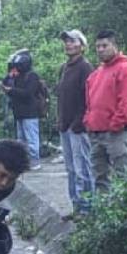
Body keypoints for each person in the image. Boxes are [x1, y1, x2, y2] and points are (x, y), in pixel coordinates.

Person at [84, 30, 127, 192]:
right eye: (98, 46)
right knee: (99, 177)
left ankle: (126, 206)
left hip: (116, 133)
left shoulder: (125, 69)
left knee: (123, 175)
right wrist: (88, 121)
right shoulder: (96, 74)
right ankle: (103, 207)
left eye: (105, 45)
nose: (100, 49)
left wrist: (115, 125)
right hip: (96, 133)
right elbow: (89, 102)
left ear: (114, 46)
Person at [55, 29, 95, 215]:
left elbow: (89, 98)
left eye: (72, 41)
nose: (68, 44)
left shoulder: (85, 67)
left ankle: (87, 208)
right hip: (65, 125)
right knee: (70, 169)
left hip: (78, 127)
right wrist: (60, 121)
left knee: (82, 169)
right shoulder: (64, 68)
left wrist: (79, 122)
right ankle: (76, 206)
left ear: (82, 45)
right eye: (66, 41)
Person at [0, 49, 43, 169]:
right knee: (21, 141)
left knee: (31, 139)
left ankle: (34, 161)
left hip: (30, 113)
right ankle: (24, 162)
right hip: (19, 113)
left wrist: (11, 90)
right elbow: (5, 84)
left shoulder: (32, 76)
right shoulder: (17, 76)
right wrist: (9, 76)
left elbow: (27, 93)